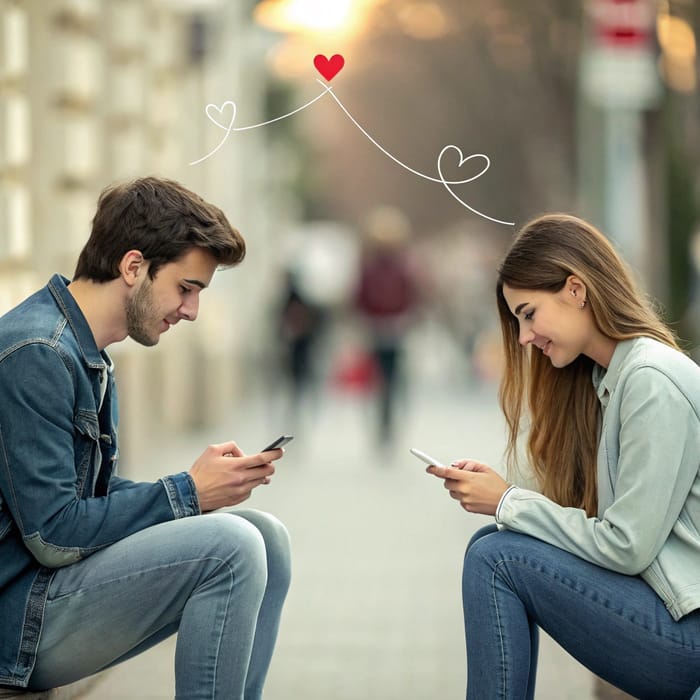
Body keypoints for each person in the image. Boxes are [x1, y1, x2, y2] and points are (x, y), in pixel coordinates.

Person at [0, 177, 291, 699]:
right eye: (186, 288)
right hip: (16, 621)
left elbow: (88, 503)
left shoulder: (85, 351)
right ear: (133, 267)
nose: (191, 311)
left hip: (45, 597)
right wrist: (186, 493)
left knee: (266, 536)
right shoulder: (38, 351)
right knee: (233, 546)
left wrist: (198, 493)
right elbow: (54, 536)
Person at [426, 213, 700, 699]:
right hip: (667, 618)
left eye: (528, 314)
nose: (524, 337)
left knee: (496, 557)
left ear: (576, 289)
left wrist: (509, 500)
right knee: (490, 545)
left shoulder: (651, 381)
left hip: (687, 636)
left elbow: (627, 545)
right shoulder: (607, 380)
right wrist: (504, 495)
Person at [355, 206, 418, 443]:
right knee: (384, 380)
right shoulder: (374, 268)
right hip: (379, 328)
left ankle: (388, 421)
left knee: (389, 380)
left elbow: (412, 296)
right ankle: (385, 421)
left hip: (393, 328)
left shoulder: (400, 268)